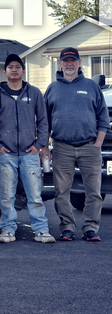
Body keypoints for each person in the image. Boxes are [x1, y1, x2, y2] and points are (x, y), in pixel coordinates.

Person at [0, 54, 54, 243]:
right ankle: (8, 230)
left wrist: (39, 144)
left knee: (35, 195)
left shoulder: (33, 93)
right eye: (10, 67)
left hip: (29, 153)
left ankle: (41, 230)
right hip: (5, 154)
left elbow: (43, 121)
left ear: (23, 71)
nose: (14, 70)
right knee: (6, 196)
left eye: (18, 67)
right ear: (4, 71)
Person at [44, 47, 108, 242]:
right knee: (61, 192)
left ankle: (90, 228)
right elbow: (45, 121)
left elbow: (103, 117)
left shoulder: (91, 86)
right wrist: (45, 146)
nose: (69, 64)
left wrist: (98, 143)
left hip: (90, 147)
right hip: (62, 147)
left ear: (79, 63)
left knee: (94, 191)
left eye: (73, 60)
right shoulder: (52, 88)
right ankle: (67, 228)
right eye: (66, 61)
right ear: (60, 64)